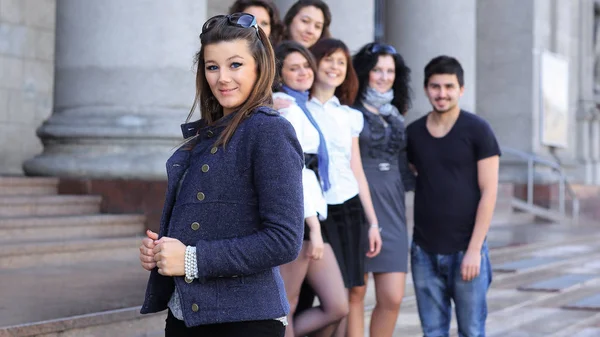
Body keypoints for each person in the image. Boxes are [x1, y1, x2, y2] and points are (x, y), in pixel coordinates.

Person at [138, 13, 304, 337]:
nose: (222, 78)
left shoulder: (270, 132)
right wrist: (163, 251)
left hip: (245, 322)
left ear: (259, 65)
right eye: (212, 67)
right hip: (185, 315)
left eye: (235, 65)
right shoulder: (208, 135)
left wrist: (190, 259)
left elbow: (283, 241)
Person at [406, 55, 500, 337]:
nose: (442, 93)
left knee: (472, 331)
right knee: (433, 332)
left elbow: (489, 191)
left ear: (461, 89)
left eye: (449, 86)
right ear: (426, 89)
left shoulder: (478, 130)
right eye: (435, 86)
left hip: (466, 251)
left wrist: (474, 250)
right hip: (424, 250)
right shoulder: (413, 133)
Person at [307, 38, 382, 337]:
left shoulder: (350, 116)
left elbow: (357, 171)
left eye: (341, 62)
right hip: (316, 212)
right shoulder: (296, 108)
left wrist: (373, 222)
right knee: (325, 297)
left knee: (350, 294)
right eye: (328, 59)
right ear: (315, 62)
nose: (335, 67)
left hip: (349, 208)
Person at [273, 40, 349, 337]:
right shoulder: (286, 109)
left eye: (306, 65)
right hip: (300, 217)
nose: (304, 72)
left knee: (337, 306)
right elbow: (297, 174)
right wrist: (314, 228)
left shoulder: (301, 105)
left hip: (314, 214)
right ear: (280, 74)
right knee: (287, 306)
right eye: (294, 68)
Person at [350, 42, 414, 337]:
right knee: (356, 295)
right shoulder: (350, 110)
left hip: (393, 204)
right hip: (359, 202)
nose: (384, 76)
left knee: (392, 297)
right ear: (364, 72)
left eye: (390, 71)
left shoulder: (396, 113)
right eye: (377, 70)